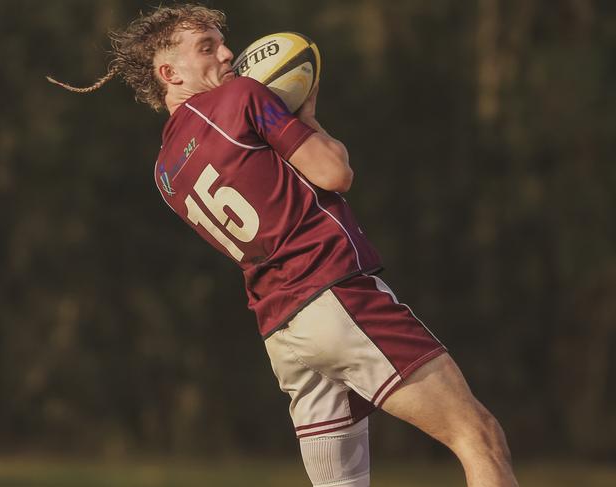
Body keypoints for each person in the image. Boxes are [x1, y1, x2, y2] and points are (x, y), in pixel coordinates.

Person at [49, 4, 519, 487]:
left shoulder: (165, 171)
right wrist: (306, 116)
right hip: (336, 295)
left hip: (282, 332)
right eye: (207, 47)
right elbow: (336, 172)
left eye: (221, 41)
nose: (228, 53)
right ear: (168, 72)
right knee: (478, 436)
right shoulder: (240, 97)